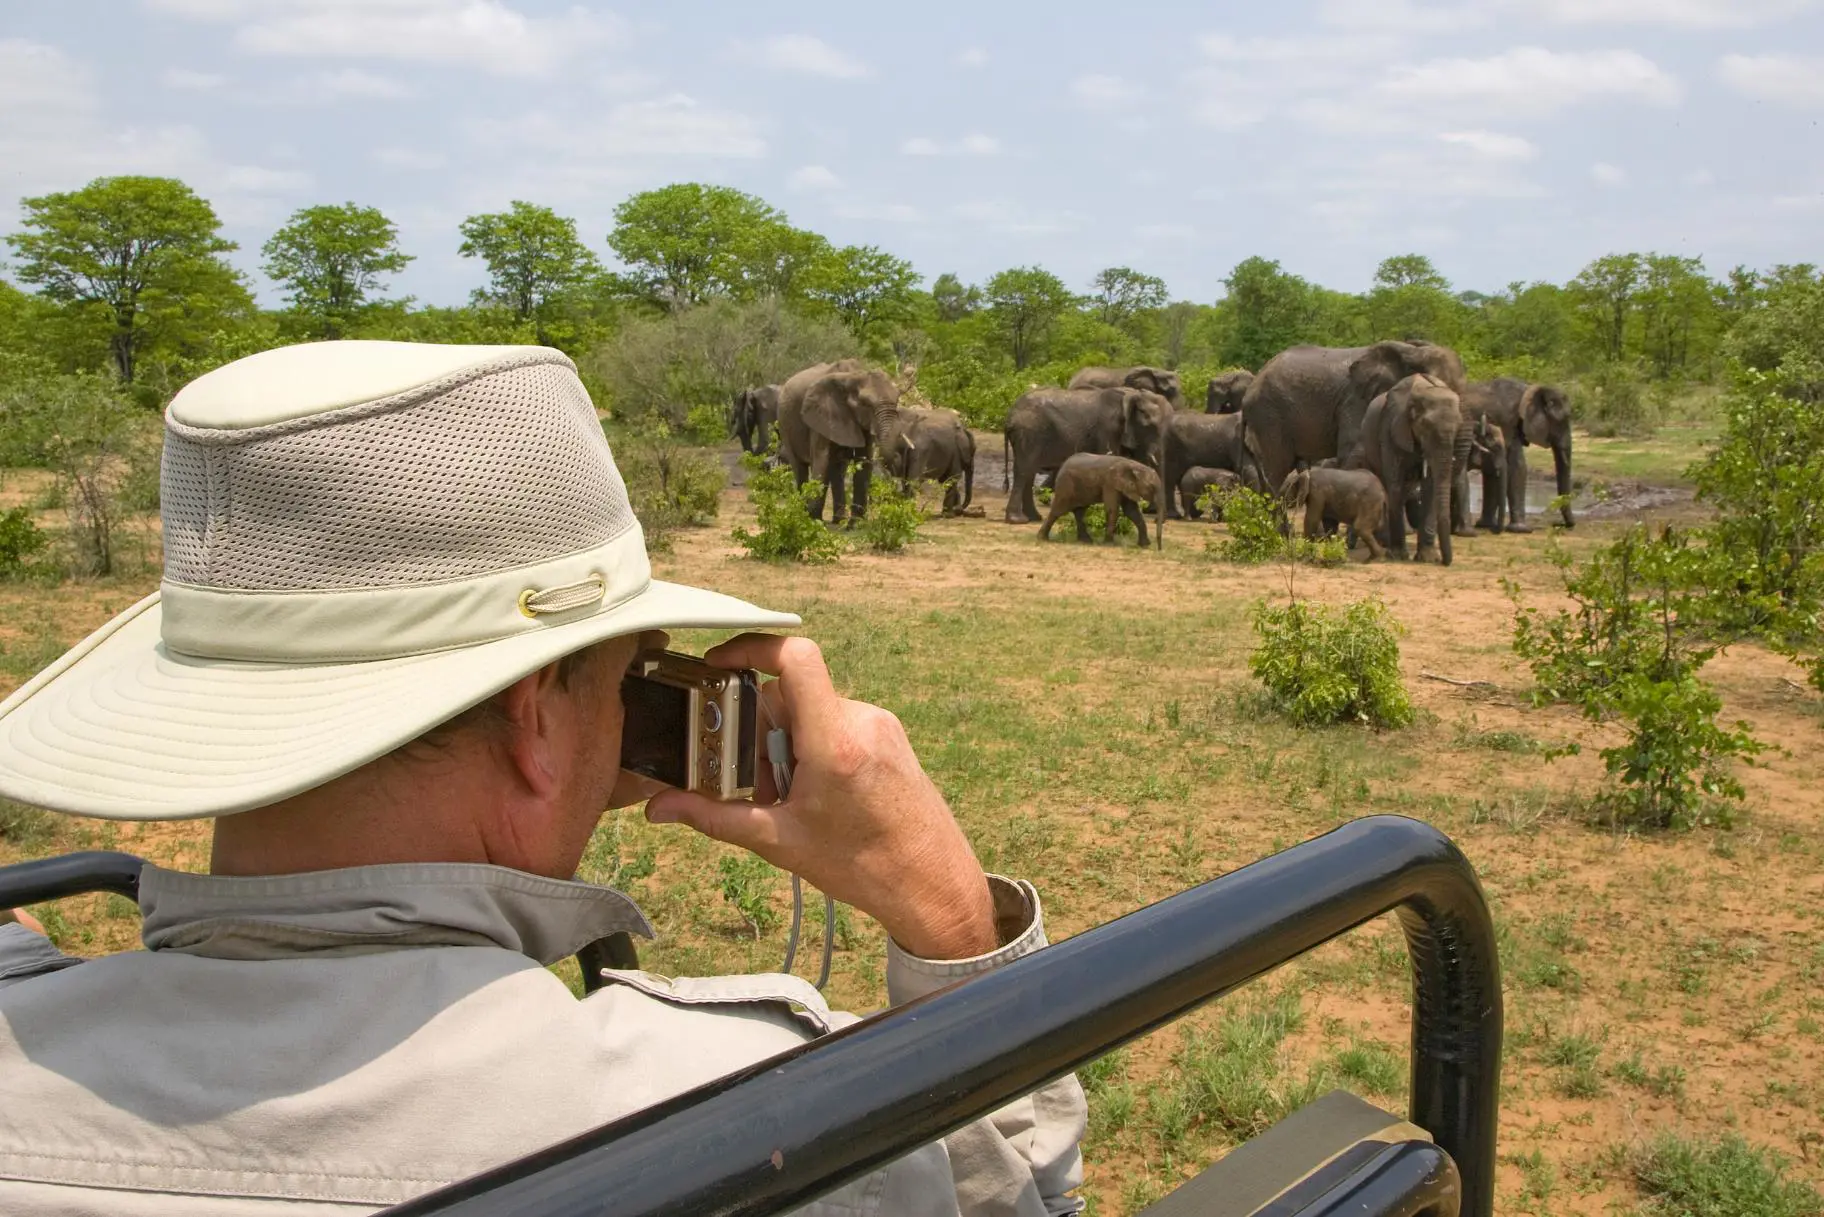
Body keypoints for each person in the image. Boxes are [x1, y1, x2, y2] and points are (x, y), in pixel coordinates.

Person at [0, 341, 1085, 1217]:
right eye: (623, 684)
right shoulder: (761, 1115)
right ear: (533, 722)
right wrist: (949, 910)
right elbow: (1025, 1197)